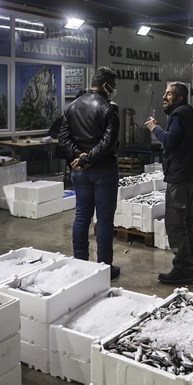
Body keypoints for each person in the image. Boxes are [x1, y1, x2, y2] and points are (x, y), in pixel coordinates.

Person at [59, 68, 121, 279]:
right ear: (106, 85)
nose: (114, 89)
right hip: (103, 170)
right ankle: (104, 268)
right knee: (103, 221)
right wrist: (89, 157)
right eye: (113, 84)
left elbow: (63, 138)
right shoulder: (108, 109)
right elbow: (108, 142)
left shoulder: (72, 106)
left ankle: (80, 264)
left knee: (81, 217)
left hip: (79, 171)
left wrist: (79, 157)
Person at [146, 82, 193, 285]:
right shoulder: (192, 113)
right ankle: (186, 265)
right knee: (188, 220)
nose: (165, 96)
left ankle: (182, 268)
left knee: (175, 222)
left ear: (180, 97)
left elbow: (170, 141)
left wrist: (155, 128)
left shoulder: (179, 114)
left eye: (169, 94)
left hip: (181, 177)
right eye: (165, 93)